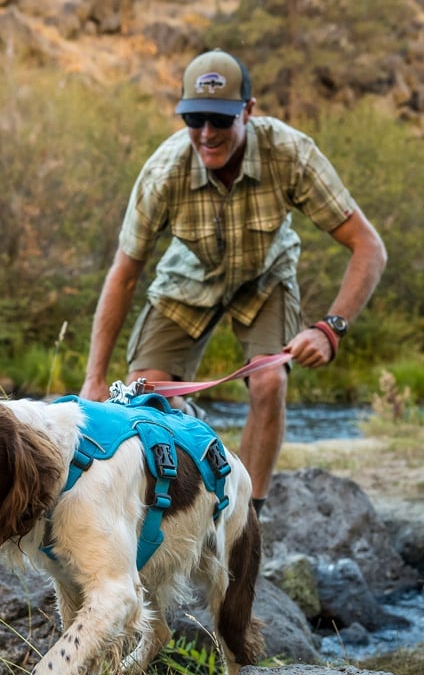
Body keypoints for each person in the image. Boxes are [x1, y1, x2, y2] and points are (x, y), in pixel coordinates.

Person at [80, 49, 387, 515]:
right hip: (187, 281)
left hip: (266, 277)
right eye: (195, 118)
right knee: (143, 399)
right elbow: (124, 276)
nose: (206, 133)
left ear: (248, 110)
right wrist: (95, 378)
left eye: (220, 119)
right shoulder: (164, 173)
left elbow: (369, 247)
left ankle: (247, 519)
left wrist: (330, 328)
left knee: (268, 382)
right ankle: (179, 501)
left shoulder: (291, 153)